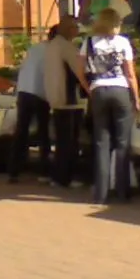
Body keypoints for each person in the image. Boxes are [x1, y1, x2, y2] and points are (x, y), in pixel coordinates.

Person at [72, 8, 140, 207]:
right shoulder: (123, 42)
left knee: (101, 142)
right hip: (121, 91)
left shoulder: (89, 42)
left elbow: (79, 69)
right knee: (122, 143)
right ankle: (122, 191)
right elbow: (130, 74)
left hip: (99, 91)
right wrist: (135, 98)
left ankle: (100, 194)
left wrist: (89, 87)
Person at [41, 16, 86, 188]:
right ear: (68, 29)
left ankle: (58, 177)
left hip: (55, 97)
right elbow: (79, 71)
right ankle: (66, 177)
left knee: (61, 141)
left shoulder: (52, 46)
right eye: (75, 27)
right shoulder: (67, 47)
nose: (77, 30)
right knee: (70, 141)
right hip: (68, 99)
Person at [8, 25, 53, 183]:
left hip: (24, 91)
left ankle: (14, 171)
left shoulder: (36, 48)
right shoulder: (53, 51)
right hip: (40, 93)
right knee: (43, 134)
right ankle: (44, 172)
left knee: (21, 132)